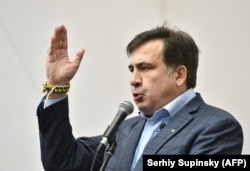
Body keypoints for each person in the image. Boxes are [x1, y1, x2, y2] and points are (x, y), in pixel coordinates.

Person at [37, 24, 244, 171]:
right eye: (131, 69)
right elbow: (63, 162)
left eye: (145, 68)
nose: (133, 80)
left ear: (179, 75)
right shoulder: (125, 129)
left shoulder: (216, 127)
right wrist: (57, 87)